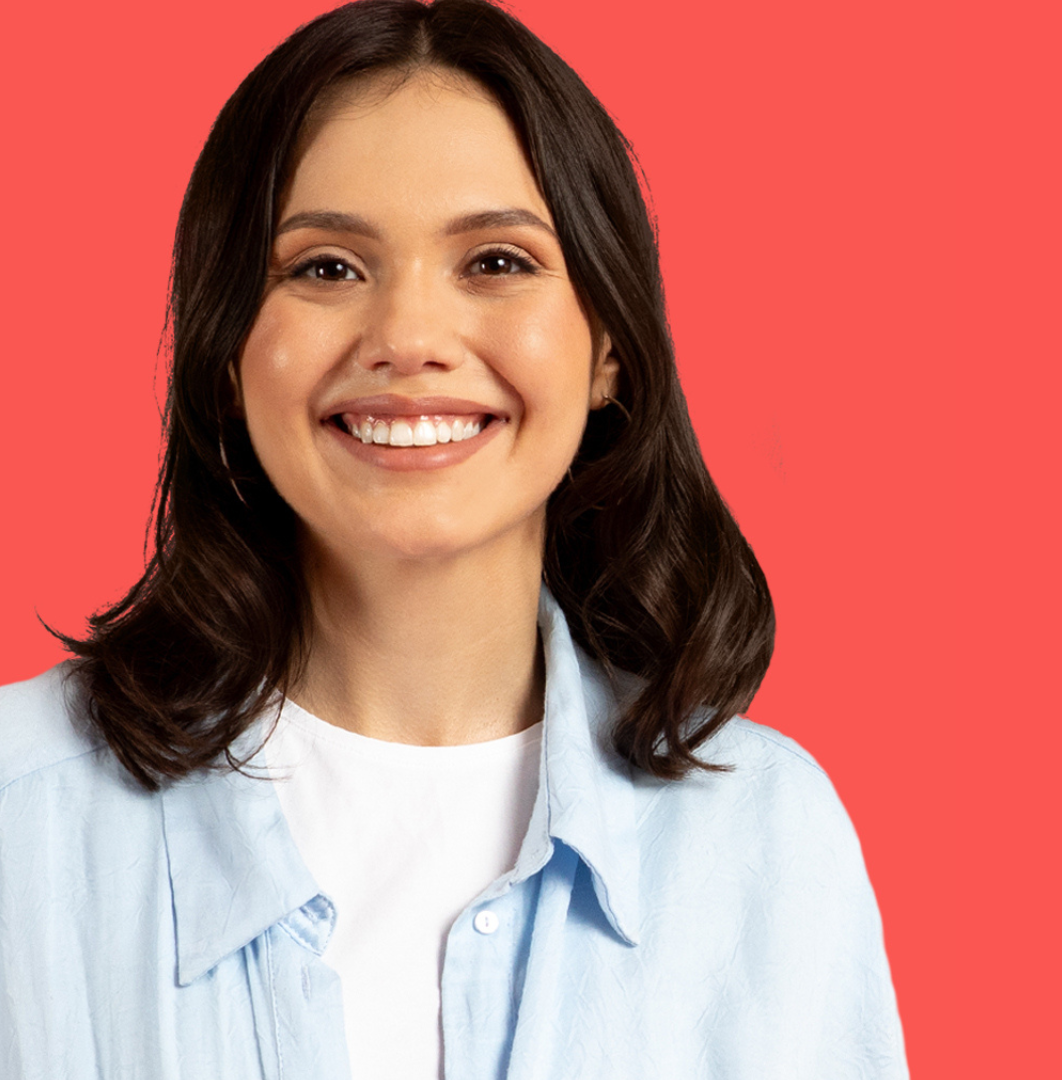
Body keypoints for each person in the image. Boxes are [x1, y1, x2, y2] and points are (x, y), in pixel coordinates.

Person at [0, 1, 908, 1077]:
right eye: (327, 267)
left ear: (609, 346)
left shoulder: (767, 842)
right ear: (226, 349)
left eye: (497, 262)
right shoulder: (24, 817)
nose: (410, 340)